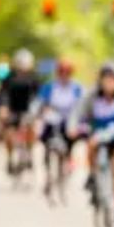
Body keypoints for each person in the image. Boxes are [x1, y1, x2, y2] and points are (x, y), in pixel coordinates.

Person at [73, 62, 114, 223]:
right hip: (97, 134)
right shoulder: (91, 96)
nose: (110, 83)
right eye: (106, 79)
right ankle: (92, 175)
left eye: (113, 80)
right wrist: (76, 127)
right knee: (90, 146)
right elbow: (78, 114)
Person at [36, 59, 84, 195]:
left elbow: (82, 106)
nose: (64, 75)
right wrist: (41, 112)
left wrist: (79, 121)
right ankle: (47, 175)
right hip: (52, 118)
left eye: (67, 72)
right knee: (45, 140)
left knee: (71, 138)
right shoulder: (49, 87)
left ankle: (68, 160)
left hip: (70, 120)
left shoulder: (77, 88)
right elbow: (40, 102)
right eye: (62, 72)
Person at [0, 49, 40, 176]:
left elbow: (38, 96)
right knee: (9, 134)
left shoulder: (34, 78)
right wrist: (3, 108)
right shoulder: (8, 78)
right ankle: (10, 158)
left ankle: (29, 153)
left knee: (31, 129)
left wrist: (37, 110)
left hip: (28, 110)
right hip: (12, 110)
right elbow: (3, 94)